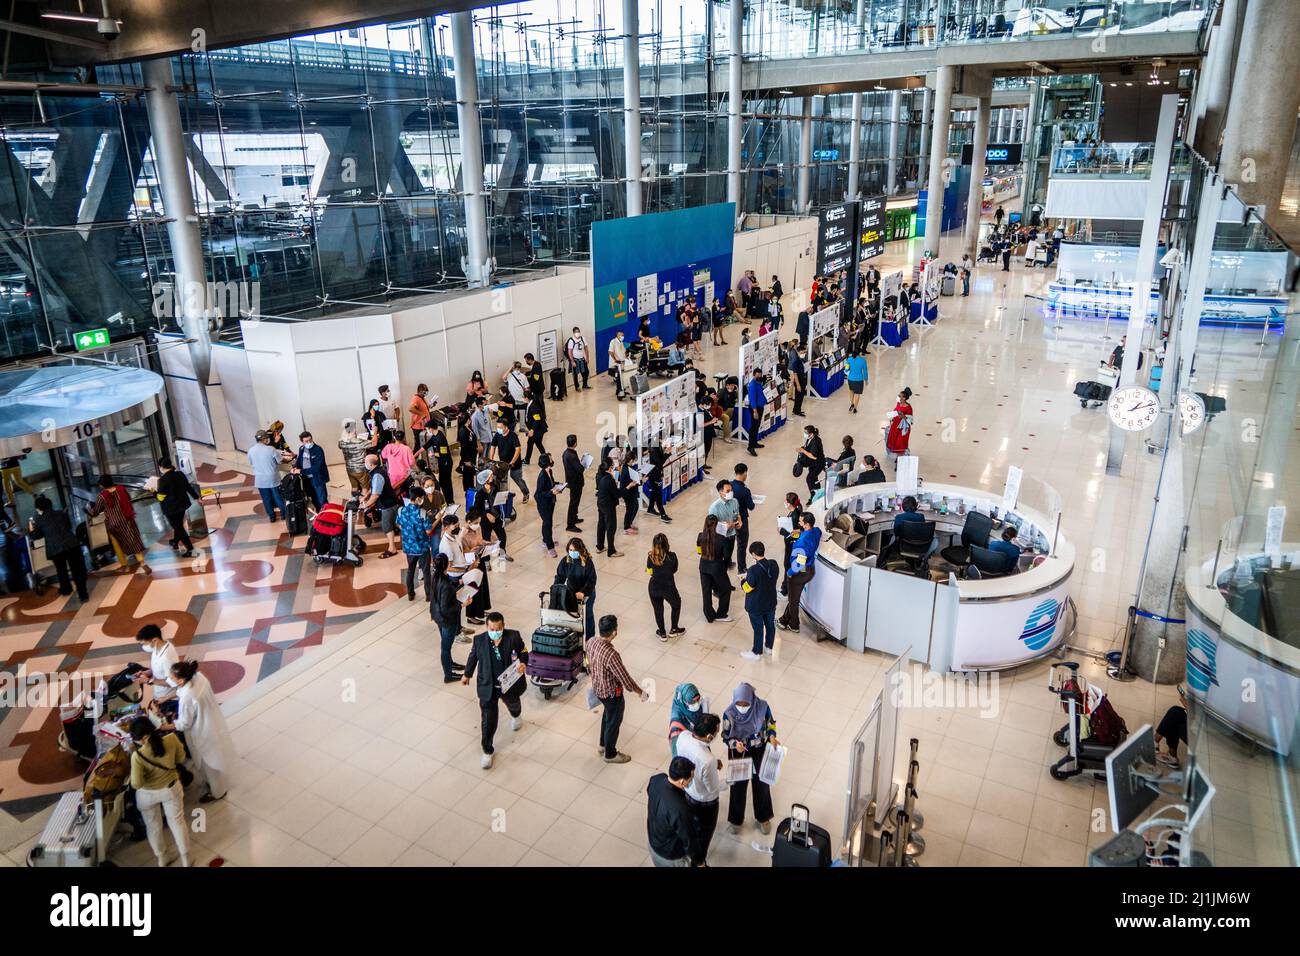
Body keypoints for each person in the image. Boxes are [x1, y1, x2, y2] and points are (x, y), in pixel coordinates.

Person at [153, 660, 236, 803]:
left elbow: (184, 723)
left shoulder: (187, 697)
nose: (170, 680)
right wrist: (167, 698)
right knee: (213, 756)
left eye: (172, 678)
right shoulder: (198, 677)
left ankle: (218, 792)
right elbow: (183, 694)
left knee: (208, 763)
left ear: (181, 680)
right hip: (212, 721)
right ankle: (215, 784)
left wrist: (163, 727)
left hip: (201, 732)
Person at [460, 611, 528, 770]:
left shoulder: (513, 637)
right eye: (492, 628)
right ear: (487, 626)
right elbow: (473, 657)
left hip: (508, 685)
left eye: (498, 628)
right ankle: (487, 750)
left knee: (513, 704)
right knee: (488, 721)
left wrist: (524, 663)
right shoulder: (480, 641)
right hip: (488, 687)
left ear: (503, 626)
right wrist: (467, 674)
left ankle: (516, 715)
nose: (495, 632)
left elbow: (523, 652)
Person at [127, 716, 190, 868]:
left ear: (140, 739)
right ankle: (186, 859)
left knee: (153, 826)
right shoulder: (171, 739)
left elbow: (137, 784)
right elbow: (181, 758)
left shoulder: (137, 756)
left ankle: (162, 858)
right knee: (177, 822)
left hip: (148, 795)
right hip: (171, 788)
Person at [587, 613, 646, 763]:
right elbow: (625, 680)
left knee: (607, 716)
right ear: (614, 632)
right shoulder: (611, 654)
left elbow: (587, 662)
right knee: (613, 722)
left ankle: (602, 745)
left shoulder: (591, 641)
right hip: (612, 694)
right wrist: (641, 692)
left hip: (598, 689)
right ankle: (610, 754)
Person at [723, 682, 779, 835]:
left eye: (745, 703)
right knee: (738, 785)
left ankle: (763, 817)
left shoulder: (762, 707)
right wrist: (735, 744)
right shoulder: (729, 713)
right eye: (739, 703)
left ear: (752, 699)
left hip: (760, 749)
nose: (742, 706)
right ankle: (736, 820)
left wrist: (772, 737)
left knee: (761, 782)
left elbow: (771, 724)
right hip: (740, 751)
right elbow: (726, 737)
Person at [674, 712, 722, 866]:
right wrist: (728, 782)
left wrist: (714, 763)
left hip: (686, 793)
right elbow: (714, 788)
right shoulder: (707, 761)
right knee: (704, 833)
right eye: (716, 732)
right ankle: (699, 861)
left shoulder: (683, 736)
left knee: (690, 828)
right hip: (705, 803)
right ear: (709, 736)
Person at [28, 495, 88, 600]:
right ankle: (83, 594)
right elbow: (69, 526)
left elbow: (36, 536)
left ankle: (66, 589)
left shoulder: (39, 520)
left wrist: (31, 529)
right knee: (76, 570)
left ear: (39, 508)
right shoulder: (61, 513)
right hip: (71, 544)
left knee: (61, 570)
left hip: (55, 548)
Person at [88, 474, 151, 575]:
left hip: (113, 524)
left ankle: (125, 566)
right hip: (127, 519)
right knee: (133, 540)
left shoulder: (102, 496)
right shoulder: (121, 489)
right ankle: (142, 563)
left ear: (102, 485)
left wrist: (89, 511)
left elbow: (95, 512)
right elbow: (128, 500)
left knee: (118, 545)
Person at [647, 756, 696, 867]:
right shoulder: (680, 809)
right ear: (682, 781)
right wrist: (700, 862)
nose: (691, 780)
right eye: (691, 778)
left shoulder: (656, 780)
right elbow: (689, 840)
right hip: (671, 857)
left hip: (653, 843)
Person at [438, 513, 483, 627]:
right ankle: (456, 631)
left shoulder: (455, 536)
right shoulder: (446, 545)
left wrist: (470, 558)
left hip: (462, 571)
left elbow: (460, 552)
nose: (457, 528)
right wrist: (465, 569)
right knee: (456, 604)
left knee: (463, 600)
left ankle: (460, 627)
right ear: (446, 527)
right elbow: (448, 567)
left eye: (458, 525)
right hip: (455, 577)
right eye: (455, 526)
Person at [779, 511, 821, 632]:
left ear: (806, 524)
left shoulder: (802, 542)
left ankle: (794, 625)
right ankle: (783, 620)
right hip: (810, 570)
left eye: (800, 521)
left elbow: (799, 563)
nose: (798, 522)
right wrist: (800, 532)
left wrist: (790, 573)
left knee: (793, 600)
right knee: (794, 597)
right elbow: (816, 531)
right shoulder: (815, 531)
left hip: (800, 573)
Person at [429, 553, 466, 683]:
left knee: (446, 646)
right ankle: (448, 675)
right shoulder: (444, 584)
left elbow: (448, 584)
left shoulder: (436, 576)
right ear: (446, 565)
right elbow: (446, 608)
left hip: (437, 616)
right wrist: (462, 605)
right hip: (447, 620)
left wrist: (458, 582)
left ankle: (450, 663)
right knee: (445, 648)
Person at [740, 541, 781, 660]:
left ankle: (756, 652)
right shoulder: (773, 564)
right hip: (770, 602)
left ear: (753, 554)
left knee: (758, 628)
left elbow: (748, 588)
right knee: (770, 625)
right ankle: (769, 647)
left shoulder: (753, 570)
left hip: (756, 605)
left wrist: (743, 580)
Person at [396, 486, 435, 601]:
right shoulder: (422, 513)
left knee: (411, 570)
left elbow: (399, 524)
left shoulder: (401, 510)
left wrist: (408, 531)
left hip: (409, 548)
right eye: (422, 497)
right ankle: (428, 595)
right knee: (426, 571)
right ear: (418, 498)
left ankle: (410, 593)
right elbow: (428, 531)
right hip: (422, 548)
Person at [645, 532, 684, 641]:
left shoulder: (650, 557)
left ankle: (662, 633)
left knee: (658, 609)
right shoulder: (672, 556)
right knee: (676, 604)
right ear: (666, 544)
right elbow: (675, 569)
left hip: (654, 587)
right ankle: (674, 629)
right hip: (668, 587)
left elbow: (650, 572)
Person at [154, 459, 197, 558]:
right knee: (178, 524)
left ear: (161, 467)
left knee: (178, 527)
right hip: (182, 505)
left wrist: (153, 492)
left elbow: (160, 497)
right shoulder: (180, 474)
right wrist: (196, 497)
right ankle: (175, 542)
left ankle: (190, 549)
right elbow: (188, 487)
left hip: (171, 509)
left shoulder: (162, 480)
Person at [697, 513, 734, 624]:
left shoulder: (700, 536)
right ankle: (721, 614)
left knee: (706, 591)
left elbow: (699, 551)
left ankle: (709, 614)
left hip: (703, 566)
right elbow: (727, 555)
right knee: (726, 589)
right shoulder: (721, 539)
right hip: (717, 567)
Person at [247, 429, 287, 523]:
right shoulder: (271, 449)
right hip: (272, 478)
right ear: (265, 439)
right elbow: (279, 460)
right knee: (277, 497)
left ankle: (272, 517)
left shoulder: (251, 450)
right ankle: (283, 514)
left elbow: (251, 462)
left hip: (260, 479)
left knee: (266, 499)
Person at [491, 417, 530, 503]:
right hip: (503, 464)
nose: (499, 429)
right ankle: (502, 497)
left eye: (500, 428)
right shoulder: (498, 434)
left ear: (506, 427)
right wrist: (491, 459)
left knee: (517, 479)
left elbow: (518, 449)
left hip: (514, 464)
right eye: (498, 427)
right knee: (502, 480)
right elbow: (493, 446)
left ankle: (526, 493)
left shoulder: (513, 435)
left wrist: (512, 462)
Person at [421, 419, 456, 506]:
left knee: (446, 482)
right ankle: (448, 500)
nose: (427, 431)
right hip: (441, 462)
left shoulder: (441, 438)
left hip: (446, 462)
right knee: (443, 481)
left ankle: (450, 501)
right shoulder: (434, 436)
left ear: (431, 428)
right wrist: (415, 454)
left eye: (427, 429)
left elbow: (443, 454)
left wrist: (432, 454)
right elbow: (426, 446)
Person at [707, 479, 740, 568]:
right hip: (721, 538)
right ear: (721, 492)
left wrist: (739, 521)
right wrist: (726, 526)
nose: (731, 493)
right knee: (721, 557)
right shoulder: (714, 508)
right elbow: (710, 526)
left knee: (729, 553)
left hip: (732, 535)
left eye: (731, 490)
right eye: (728, 491)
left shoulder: (734, 502)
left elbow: (737, 514)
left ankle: (728, 562)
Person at [291, 431, 329, 509]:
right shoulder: (301, 449)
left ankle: (325, 517)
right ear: (302, 442)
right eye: (306, 441)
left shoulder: (318, 450)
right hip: (307, 479)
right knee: (313, 499)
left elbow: (317, 468)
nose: (309, 442)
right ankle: (319, 514)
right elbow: (299, 460)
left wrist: (301, 471)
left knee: (322, 500)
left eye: (310, 440)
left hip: (317, 479)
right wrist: (295, 467)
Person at [730, 464, 756, 574]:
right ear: (745, 473)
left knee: (729, 542)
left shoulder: (729, 486)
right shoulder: (745, 490)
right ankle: (742, 568)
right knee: (741, 545)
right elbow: (751, 506)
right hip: (742, 520)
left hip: (729, 519)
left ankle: (727, 562)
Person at [594, 460, 622, 557]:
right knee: (611, 527)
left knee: (601, 524)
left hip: (600, 503)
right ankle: (611, 551)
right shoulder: (609, 479)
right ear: (610, 468)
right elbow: (616, 494)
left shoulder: (598, 475)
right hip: (608, 505)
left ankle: (600, 546)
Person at [534, 453, 560, 557]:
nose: (552, 460)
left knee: (549, 522)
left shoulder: (549, 471)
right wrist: (551, 493)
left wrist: (559, 485)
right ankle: (550, 546)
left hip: (550, 502)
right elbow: (539, 493)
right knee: (547, 524)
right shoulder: (542, 476)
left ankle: (546, 540)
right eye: (550, 459)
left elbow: (551, 484)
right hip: (543, 504)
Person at [668, 682, 705, 755]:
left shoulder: (695, 709)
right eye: (692, 702)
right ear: (683, 701)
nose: (697, 704)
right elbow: (676, 755)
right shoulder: (676, 727)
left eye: (698, 699)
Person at [778, 492, 803, 595]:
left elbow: (792, 533)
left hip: (791, 545)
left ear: (789, 503)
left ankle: (785, 590)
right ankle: (785, 586)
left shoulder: (794, 516)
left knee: (787, 565)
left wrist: (781, 531)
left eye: (786, 501)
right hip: (792, 544)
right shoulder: (796, 511)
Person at [885, 387, 914, 473]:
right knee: (895, 443)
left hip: (902, 429)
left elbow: (910, 420)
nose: (898, 397)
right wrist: (892, 416)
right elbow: (895, 410)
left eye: (900, 396)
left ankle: (899, 462)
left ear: (904, 398)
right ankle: (898, 458)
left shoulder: (908, 408)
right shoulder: (898, 403)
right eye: (898, 396)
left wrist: (904, 417)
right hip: (895, 426)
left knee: (900, 444)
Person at [561, 434, 586, 532]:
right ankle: (570, 524)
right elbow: (580, 469)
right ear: (575, 443)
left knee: (575, 501)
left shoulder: (566, 453)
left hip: (571, 480)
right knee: (574, 503)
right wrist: (584, 463)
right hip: (575, 482)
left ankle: (574, 517)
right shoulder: (571, 455)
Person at [338, 419, 370, 494]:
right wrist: (375, 431)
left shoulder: (341, 442)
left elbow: (343, 443)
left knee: (354, 487)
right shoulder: (359, 442)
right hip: (360, 469)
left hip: (349, 469)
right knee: (365, 487)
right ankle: (363, 503)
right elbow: (374, 443)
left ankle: (355, 501)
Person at [1154, 700, 1187, 768]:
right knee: (1176, 714)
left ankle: (1154, 742)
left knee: (1175, 713)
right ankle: (1172, 756)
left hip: (1204, 738)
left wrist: (1185, 702)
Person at [381, 429, 416, 494]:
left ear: (394, 437)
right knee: (403, 492)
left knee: (394, 491)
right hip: (404, 475)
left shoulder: (388, 447)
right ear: (403, 438)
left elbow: (383, 456)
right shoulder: (406, 449)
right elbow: (412, 462)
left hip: (392, 474)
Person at [797, 424, 826, 500]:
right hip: (812, 463)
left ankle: (813, 496)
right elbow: (807, 448)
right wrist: (802, 449)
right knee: (814, 478)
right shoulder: (809, 439)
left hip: (818, 463)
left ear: (811, 434)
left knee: (809, 478)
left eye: (806, 433)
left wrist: (803, 450)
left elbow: (814, 456)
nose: (804, 434)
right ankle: (818, 493)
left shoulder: (816, 441)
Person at [745, 369, 768, 456]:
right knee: (753, 427)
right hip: (755, 409)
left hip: (760, 407)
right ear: (754, 375)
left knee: (757, 426)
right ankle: (750, 446)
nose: (759, 376)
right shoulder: (752, 385)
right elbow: (752, 399)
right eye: (757, 375)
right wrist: (755, 411)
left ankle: (754, 443)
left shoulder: (759, 383)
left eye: (760, 375)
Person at [523, 392, 548, 466]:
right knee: (538, 444)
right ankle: (546, 459)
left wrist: (532, 430)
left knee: (530, 443)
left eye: (523, 397)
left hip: (538, 430)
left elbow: (537, 420)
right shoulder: (529, 404)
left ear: (526, 398)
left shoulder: (533, 407)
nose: (522, 399)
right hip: (537, 429)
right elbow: (520, 406)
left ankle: (527, 460)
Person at [565, 325, 590, 391]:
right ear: (573, 333)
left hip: (582, 358)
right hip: (575, 359)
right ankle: (577, 387)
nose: (578, 333)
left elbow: (586, 348)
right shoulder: (571, 340)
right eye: (576, 332)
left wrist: (587, 358)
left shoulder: (582, 339)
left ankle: (585, 385)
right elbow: (569, 352)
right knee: (575, 375)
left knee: (586, 372)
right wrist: (572, 361)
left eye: (578, 331)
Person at [408, 383, 432, 450]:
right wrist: (421, 414)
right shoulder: (416, 398)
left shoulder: (422, 398)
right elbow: (410, 408)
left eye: (426, 392)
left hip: (424, 424)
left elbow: (424, 408)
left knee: (424, 443)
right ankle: (413, 459)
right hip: (418, 426)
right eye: (424, 392)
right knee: (418, 444)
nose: (425, 393)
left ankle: (423, 458)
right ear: (420, 391)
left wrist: (431, 405)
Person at [845, 347, 868, 414]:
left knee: (851, 391)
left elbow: (846, 369)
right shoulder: (863, 360)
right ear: (860, 353)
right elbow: (865, 371)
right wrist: (866, 379)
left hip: (850, 379)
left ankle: (852, 404)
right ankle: (855, 408)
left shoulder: (849, 359)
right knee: (857, 394)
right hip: (859, 380)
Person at [608, 329, 629, 399]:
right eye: (621, 335)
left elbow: (623, 352)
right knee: (619, 378)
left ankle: (622, 390)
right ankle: (619, 391)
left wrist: (626, 357)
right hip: (616, 364)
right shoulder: (613, 342)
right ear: (618, 335)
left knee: (623, 377)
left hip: (622, 363)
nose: (623, 336)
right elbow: (610, 352)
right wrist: (615, 360)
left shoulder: (621, 343)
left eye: (623, 335)